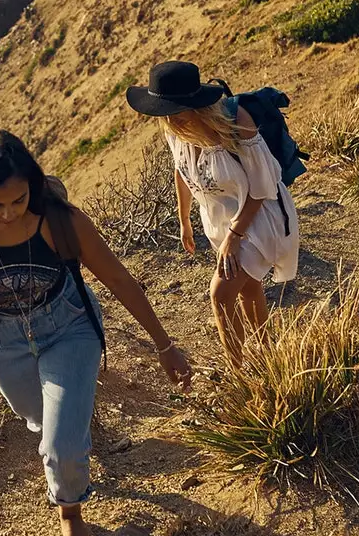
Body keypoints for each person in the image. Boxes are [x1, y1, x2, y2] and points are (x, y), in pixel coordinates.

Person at [0, 130, 192, 536]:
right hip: (0, 340)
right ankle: (71, 423)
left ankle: (70, 510)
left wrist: (164, 345)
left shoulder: (61, 221)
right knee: (39, 417)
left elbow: (120, 279)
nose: (8, 213)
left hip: (68, 326)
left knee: (59, 445)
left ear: (32, 185)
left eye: (18, 200)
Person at [125, 61, 299, 366]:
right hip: (220, 220)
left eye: (176, 113)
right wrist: (184, 220)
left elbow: (263, 186)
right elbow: (182, 171)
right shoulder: (175, 128)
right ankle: (267, 355)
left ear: (197, 107)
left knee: (220, 294)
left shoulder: (237, 124)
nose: (170, 121)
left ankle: (239, 372)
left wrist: (235, 236)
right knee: (248, 287)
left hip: (259, 218)